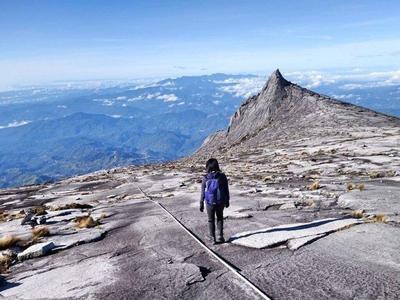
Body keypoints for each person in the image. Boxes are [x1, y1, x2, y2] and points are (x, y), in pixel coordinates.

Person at [199, 158, 230, 244]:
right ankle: (220, 236)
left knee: (210, 220)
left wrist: (201, 202)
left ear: (207, 166)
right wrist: (227, 200)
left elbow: (202, 191)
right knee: (220, 218)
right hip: (220, 201)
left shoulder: (205, 178)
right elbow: (226, 189)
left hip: (209, 202)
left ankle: (212, 238)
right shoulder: (222, 176)